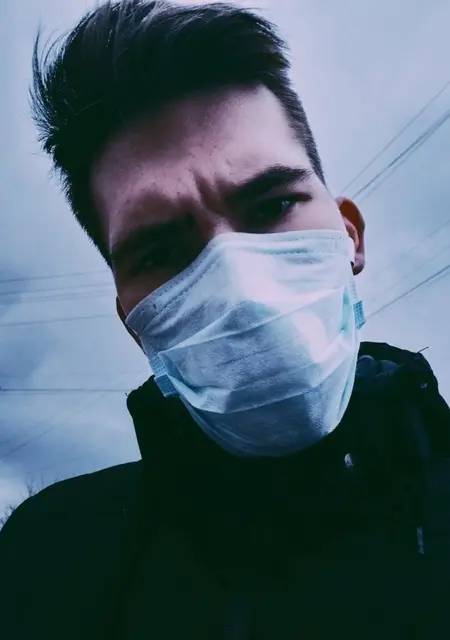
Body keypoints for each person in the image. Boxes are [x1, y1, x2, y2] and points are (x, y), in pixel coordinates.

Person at [2, 1, 450, 638]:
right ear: (133, 319)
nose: (239, 285)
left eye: (272, 206)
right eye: (160, 251)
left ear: (349, 235)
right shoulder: (47, 565)